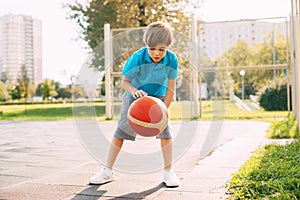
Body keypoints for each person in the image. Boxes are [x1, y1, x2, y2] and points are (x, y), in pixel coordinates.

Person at [89, 21, 180, 187]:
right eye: (152, 49)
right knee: (120, 133)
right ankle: (107, 171)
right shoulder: (137, 58)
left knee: (166, 134)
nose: (157, 53)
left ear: (167, 47)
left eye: (161, 49)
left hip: (158, 99)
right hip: (134, 97)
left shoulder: (172, 60)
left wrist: (164, 111)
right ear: (147, 45)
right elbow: (125, 82)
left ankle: (168, 172)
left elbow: (171, 90)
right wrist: (134, 92)